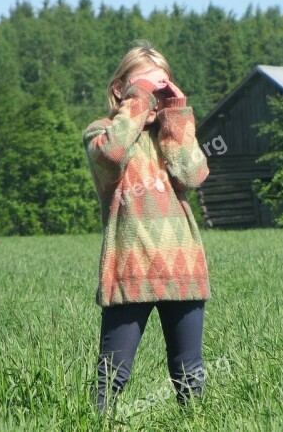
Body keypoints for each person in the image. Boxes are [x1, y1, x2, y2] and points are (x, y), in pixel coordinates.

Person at [82, 40, 211, 414]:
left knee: (190, 375)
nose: (153, 97)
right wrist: (137, 104)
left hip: (182, 268)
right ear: (119, 89)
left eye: (161, 88)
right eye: (143, 86)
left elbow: (193, 173)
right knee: (111, 377)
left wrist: (177, 114)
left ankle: (197, 425)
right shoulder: (101, 133)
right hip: (130, 269)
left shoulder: (169, 136)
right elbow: (112, 155)